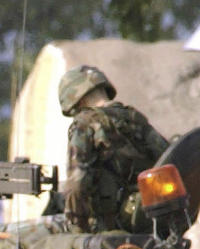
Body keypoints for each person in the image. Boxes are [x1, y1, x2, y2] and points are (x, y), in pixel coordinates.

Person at [58, 64, 168, 234]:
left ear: (78, 101)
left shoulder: (85, 124)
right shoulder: (134, 118)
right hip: (148, 216)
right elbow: (167, 158)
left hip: (109, 226)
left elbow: (76, 186)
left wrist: (77, 229)